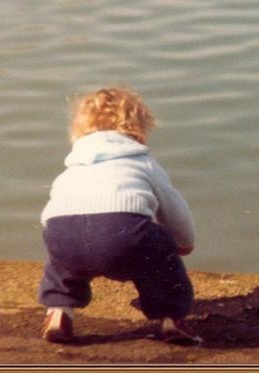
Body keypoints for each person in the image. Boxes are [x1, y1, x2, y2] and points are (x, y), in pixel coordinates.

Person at [38, 86, 201, 344]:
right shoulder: (142, 161)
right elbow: (174, 209)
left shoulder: (73, 165)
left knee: (59, 253)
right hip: (121, 238)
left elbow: (49, 217)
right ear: (140, 126)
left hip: (63, 234)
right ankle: (171, 318)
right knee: (159, 247)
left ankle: (58, 311)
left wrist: (63, 241)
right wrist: (184, 242)